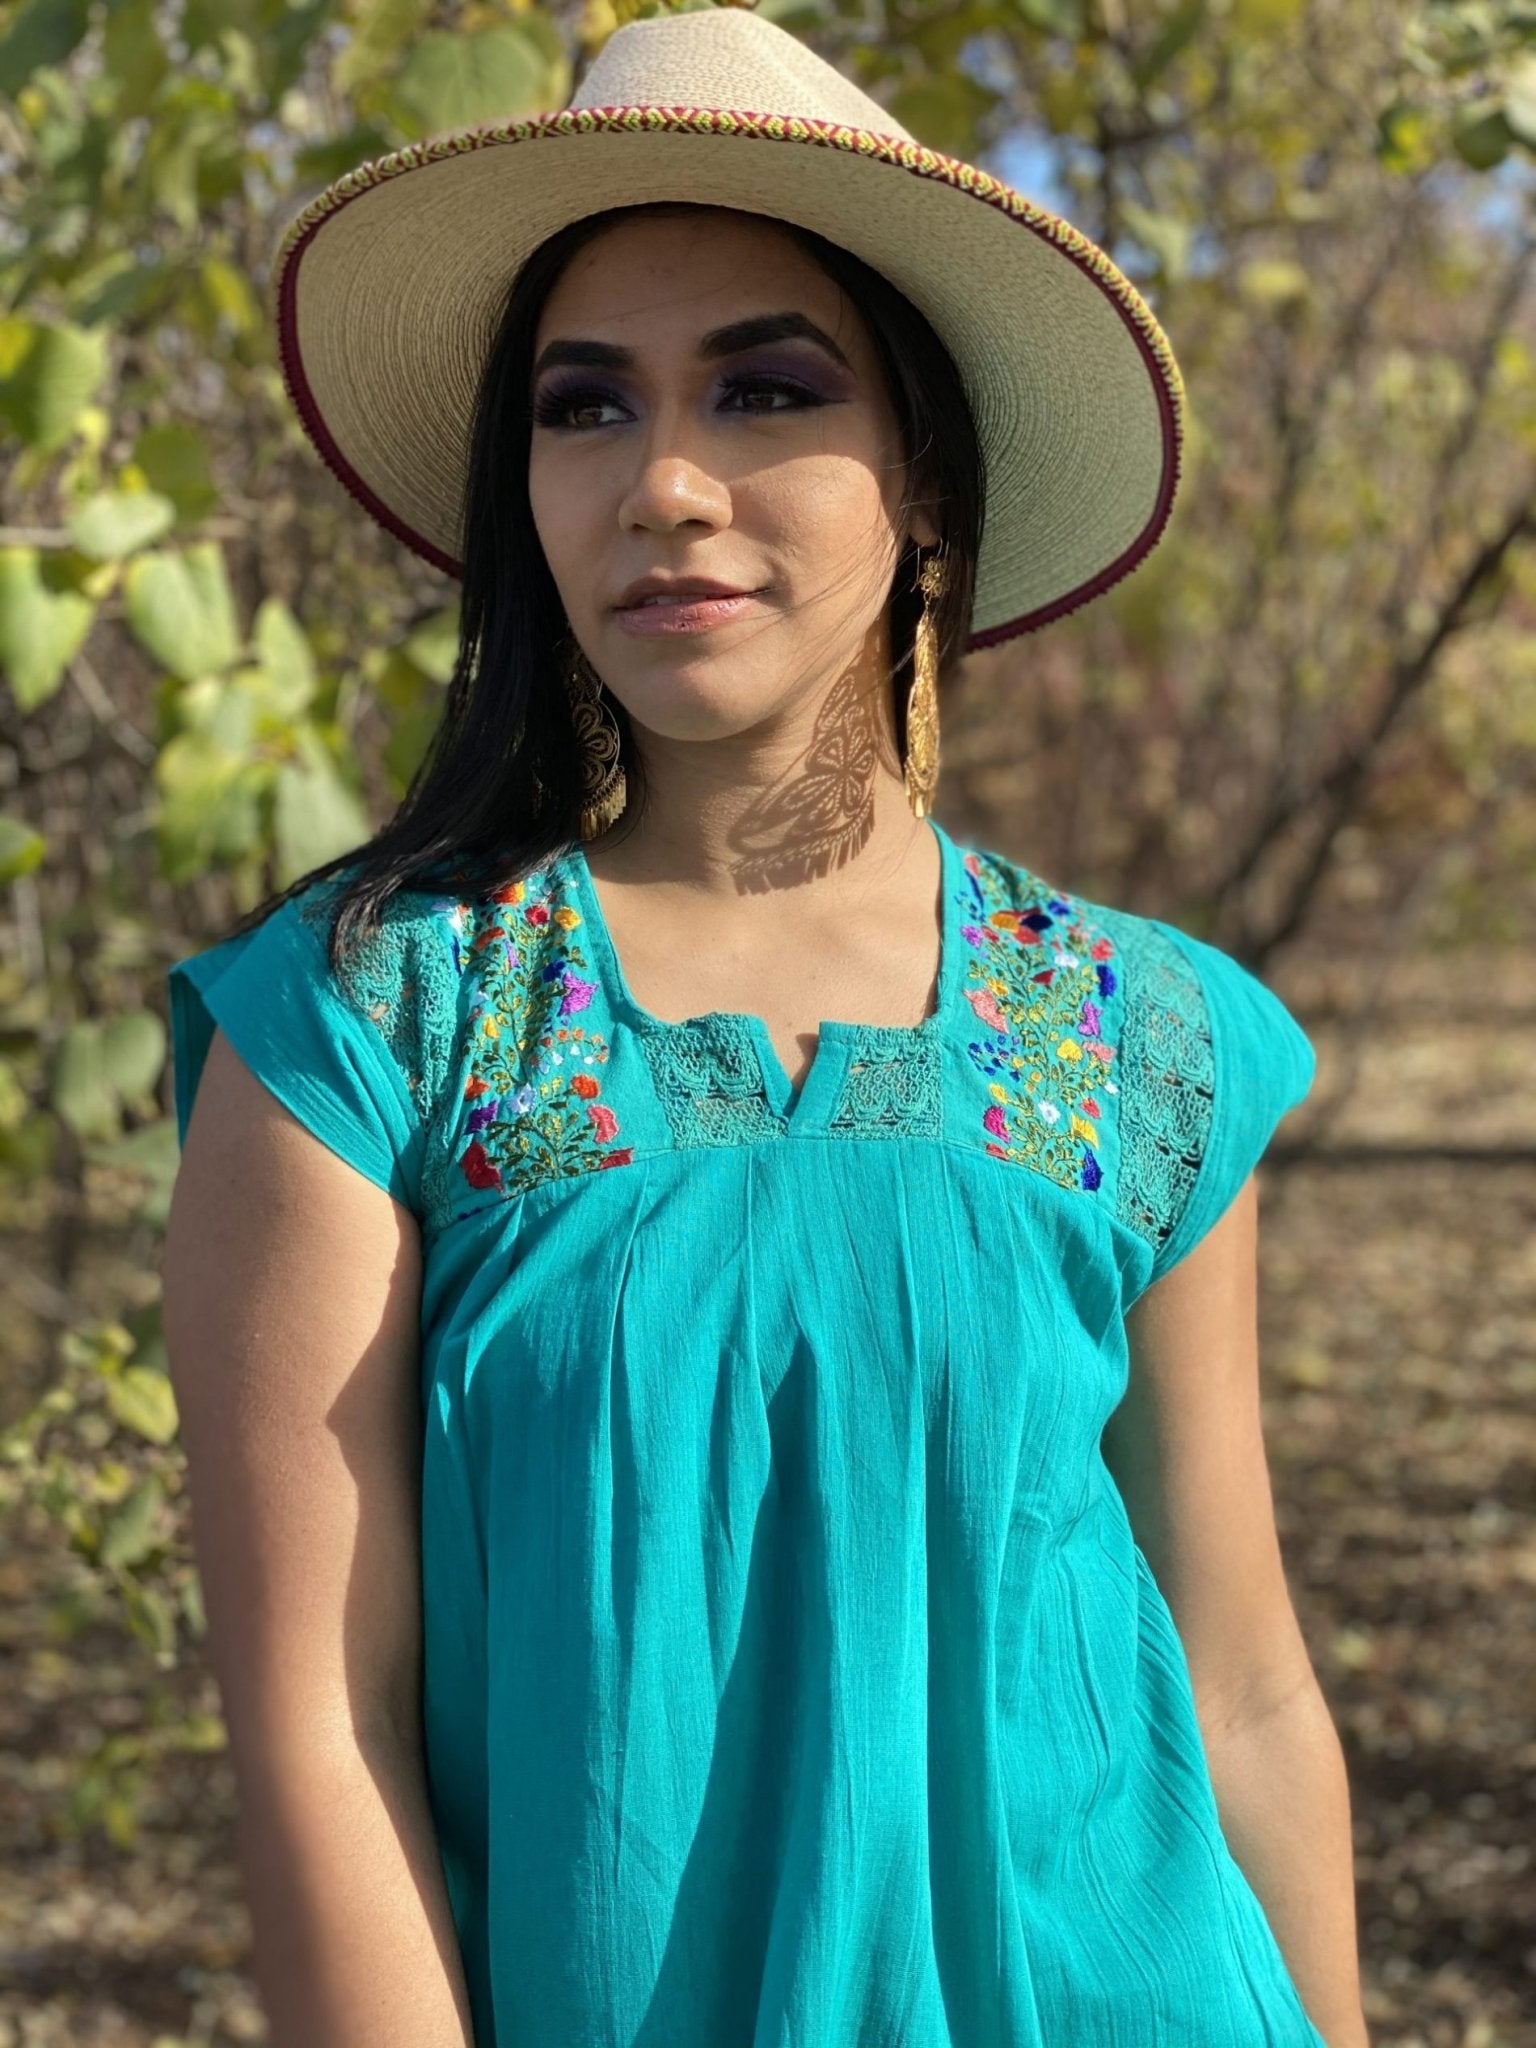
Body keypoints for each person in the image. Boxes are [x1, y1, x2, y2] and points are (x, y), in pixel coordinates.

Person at [160, 6, 1368, 2046]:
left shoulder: (1142, 1038)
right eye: (584, 406)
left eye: (767, 385)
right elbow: (319, 1728)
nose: (669, 482)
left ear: (925, 484)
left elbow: (1242, 1683)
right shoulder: (373, 1018)